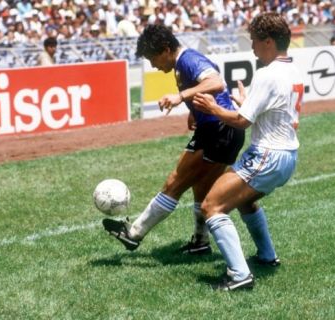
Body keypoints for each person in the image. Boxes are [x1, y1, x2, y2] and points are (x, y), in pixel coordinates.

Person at [103, 24, 245, 255]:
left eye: (153, 59)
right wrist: (194, 110)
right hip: (220, 130)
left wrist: (181, 97)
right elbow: (207, 88)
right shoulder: (183, 63)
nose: (154, 66)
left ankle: (134, 234)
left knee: (175, 182)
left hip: (219, 131)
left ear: (166, 49)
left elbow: (216, 82)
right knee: (200, 188)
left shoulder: (187, 59)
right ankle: (201, 242)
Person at [192, 12, 304, 290]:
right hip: (287, 156)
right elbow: (271, 110)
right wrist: (246, 101)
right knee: (245, 200)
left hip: (267, 155)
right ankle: (267, 256)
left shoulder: (267, 74)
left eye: (254, 41)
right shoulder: (293, 70)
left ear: (268, 42)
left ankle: (240, 276)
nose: (252, 47)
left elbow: (242, 121)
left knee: (211, 206)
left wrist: (213, 109)